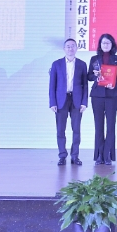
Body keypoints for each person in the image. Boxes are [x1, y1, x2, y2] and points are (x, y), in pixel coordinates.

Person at [49, 38, 88, 166]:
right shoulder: (56, 64)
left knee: (76, 130)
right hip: (61, 100)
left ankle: (75, 156)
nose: (70, 48)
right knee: (60, 130)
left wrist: (84, 102)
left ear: (76, 48)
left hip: (76, 100)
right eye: (68, 46)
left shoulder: (82, 64)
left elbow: (85, 85)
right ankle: (62, 156)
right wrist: (52, 102)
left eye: (73, 46)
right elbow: (52, 85)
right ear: (64, 49)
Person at [87, 34, 117, 166]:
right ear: (100, 45)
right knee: (98, 126)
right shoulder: (94, 59)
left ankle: (108, 154)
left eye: (108, 43)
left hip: (112, 95)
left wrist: (114, 83)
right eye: (103, 43)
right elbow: (89, 76)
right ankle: (99, 155)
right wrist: (95, 76)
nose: (106, 45)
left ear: (112, 44)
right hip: (97, 95)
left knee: (111, 125)